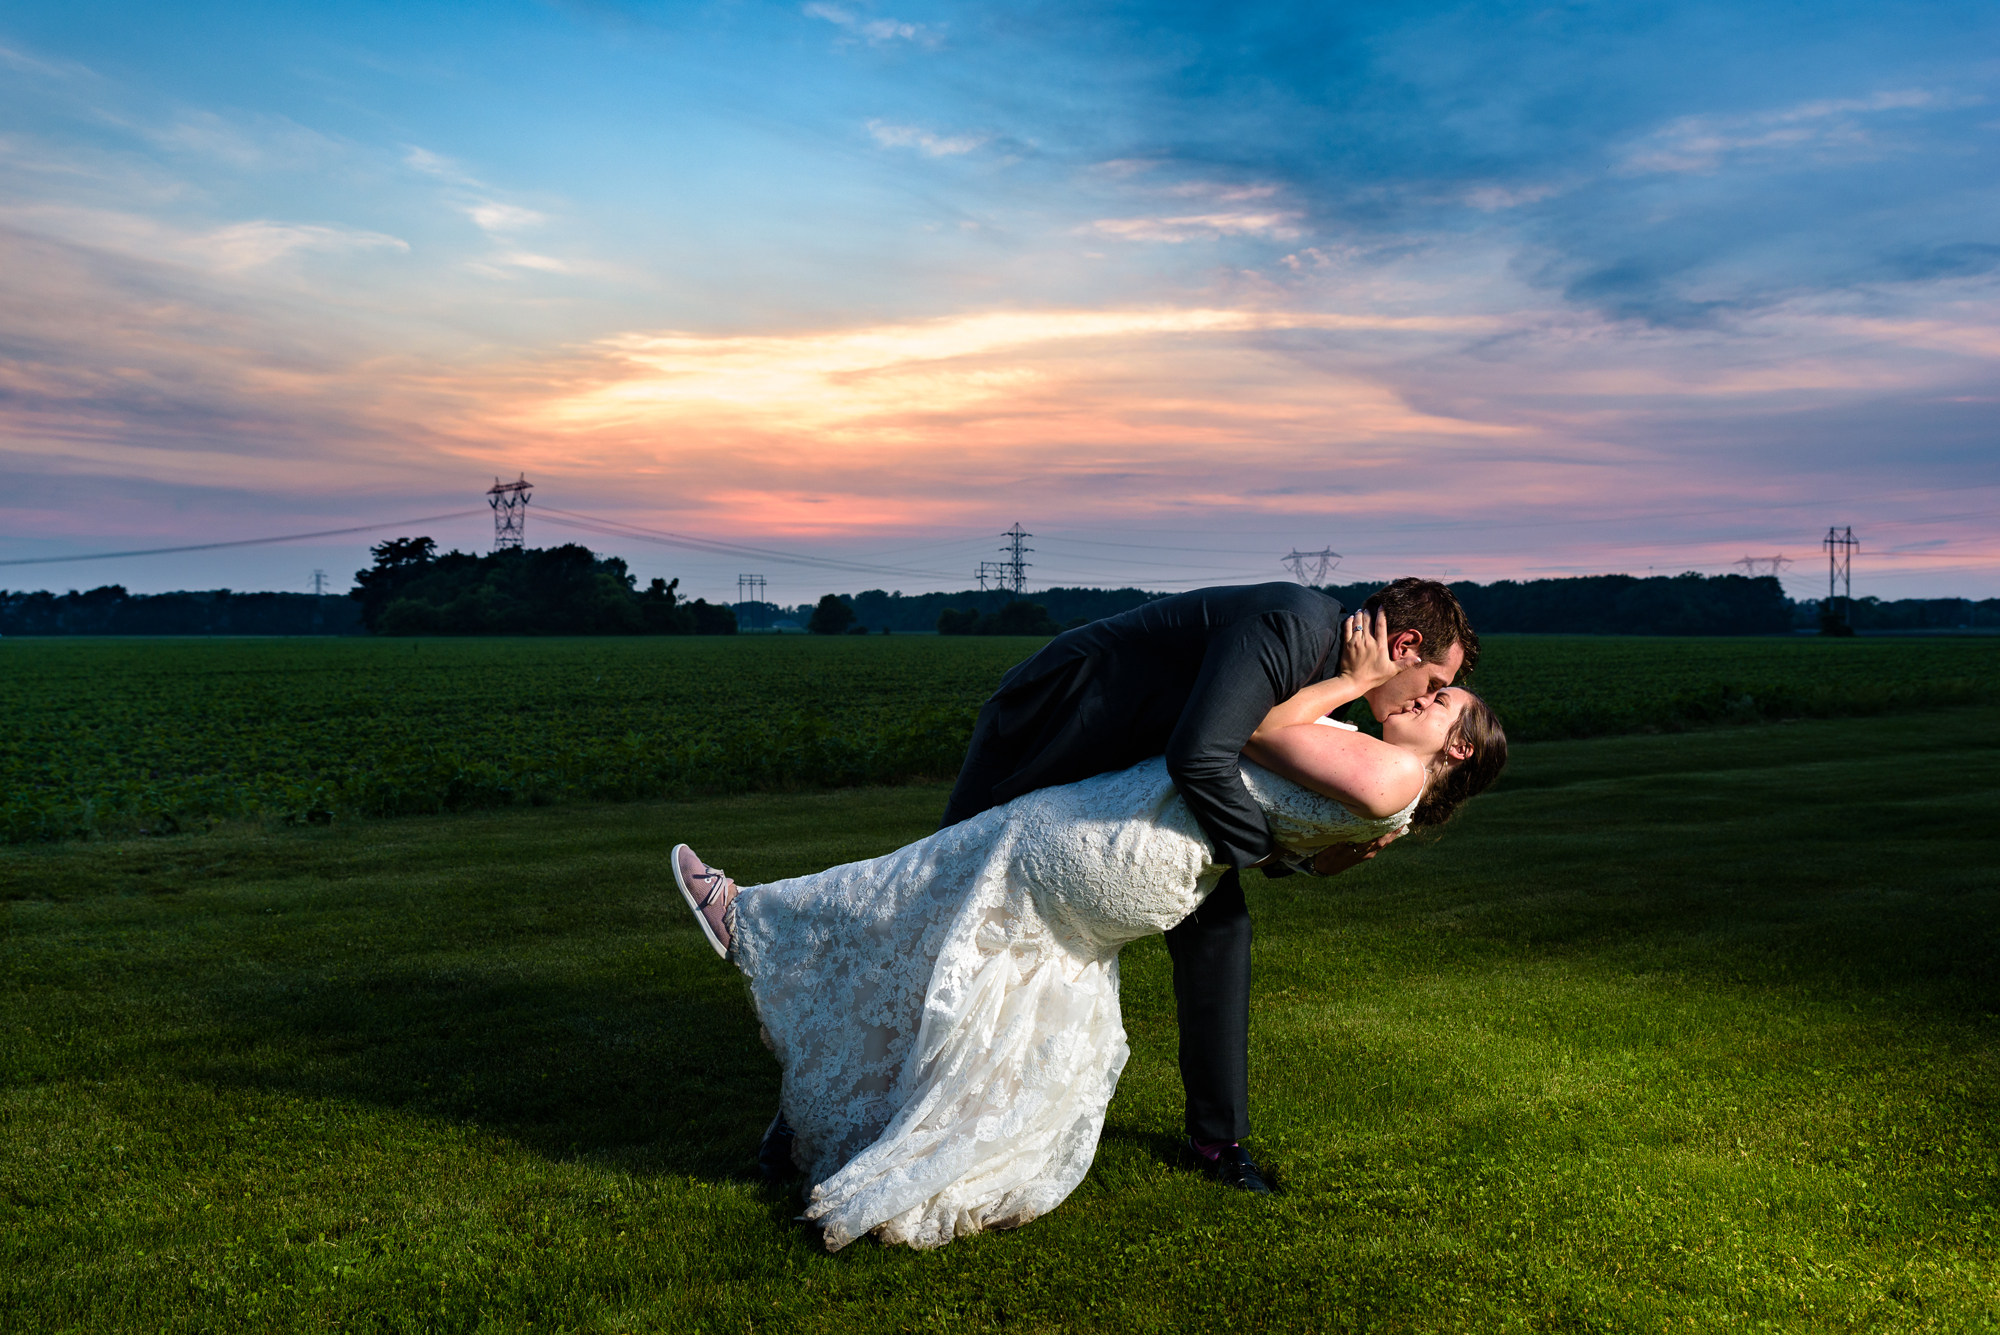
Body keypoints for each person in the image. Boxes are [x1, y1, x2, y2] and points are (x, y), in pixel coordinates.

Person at [673, 603, 1507, 1251]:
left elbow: (1252, 726)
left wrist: (1350, 680)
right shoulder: (1392, 809)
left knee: (925, 885)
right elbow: (1313, 859)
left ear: (1458, 751)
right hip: (1159, 868)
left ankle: (752, 919)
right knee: (1007, 985)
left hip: (1114, 836)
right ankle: (854, 1124)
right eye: (1436, 681)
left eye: (1445, 701)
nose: (1429, 695)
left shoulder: (1390, 764)